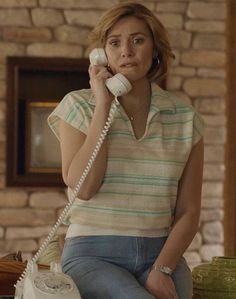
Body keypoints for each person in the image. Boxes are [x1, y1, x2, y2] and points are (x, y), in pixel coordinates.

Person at [48, 2, 205, 299]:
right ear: (102, 53)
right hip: (92, 255)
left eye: (138, 40)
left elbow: (189, 211)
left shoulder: (186, 118)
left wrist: (162, 269)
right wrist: (103, 104)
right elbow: (84, 187)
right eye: (115, 42)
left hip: (161, 256)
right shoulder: (78, 106)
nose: (126, 51)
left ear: (155, 49)